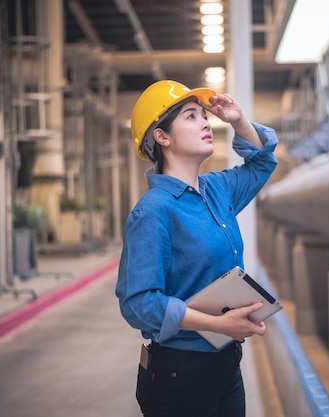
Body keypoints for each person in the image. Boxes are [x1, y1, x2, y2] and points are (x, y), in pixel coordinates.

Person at [116, 79, 278, 417]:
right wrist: (219, 325)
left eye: (203, 115)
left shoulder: (217, 190)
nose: (205, 122)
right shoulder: (153, 211)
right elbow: (139, 303)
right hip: (180, 375)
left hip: (226, 364)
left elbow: (262, 162)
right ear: (162, 137)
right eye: (191, 116)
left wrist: (237, 121)